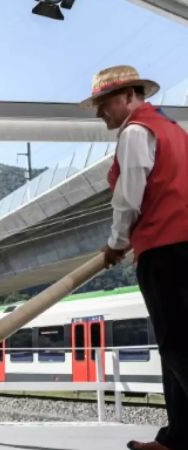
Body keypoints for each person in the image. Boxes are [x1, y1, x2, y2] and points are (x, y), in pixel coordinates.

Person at [86, 65, 188, 450]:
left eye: (103, 103)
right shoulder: (174, 130)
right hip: (180, 246)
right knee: (176, 346)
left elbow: (129, 198)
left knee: (178, 345)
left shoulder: (135, 131)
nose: (100, 113)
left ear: (130, 95)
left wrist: (116, 243)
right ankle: (178, 438)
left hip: (166, 250)